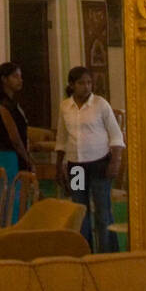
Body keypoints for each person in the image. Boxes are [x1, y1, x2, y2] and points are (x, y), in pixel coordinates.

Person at [55, 66, 124, 253]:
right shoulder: (65, 106)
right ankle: (84, 251)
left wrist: (115, 162)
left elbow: (116, 136)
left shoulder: (100, 104)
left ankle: (108, 252)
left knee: (103, 211)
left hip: (99, 163)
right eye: (81, 83)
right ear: (71, 85)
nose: (86, 87)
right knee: (80, 209)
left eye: (89, 82)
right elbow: (61, 138)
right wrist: (59, 165)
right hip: (76, 166)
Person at [0, 62, 34, 224]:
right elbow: (13, 137)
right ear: (4, 79)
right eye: (15, 76)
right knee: (9, 196)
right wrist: (26, 157)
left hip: (12, 154)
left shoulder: (12, 102)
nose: (20, 80)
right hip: (8, 155)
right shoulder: (3, 104)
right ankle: (6, 230)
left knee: (14, 194)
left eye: (20, 76)